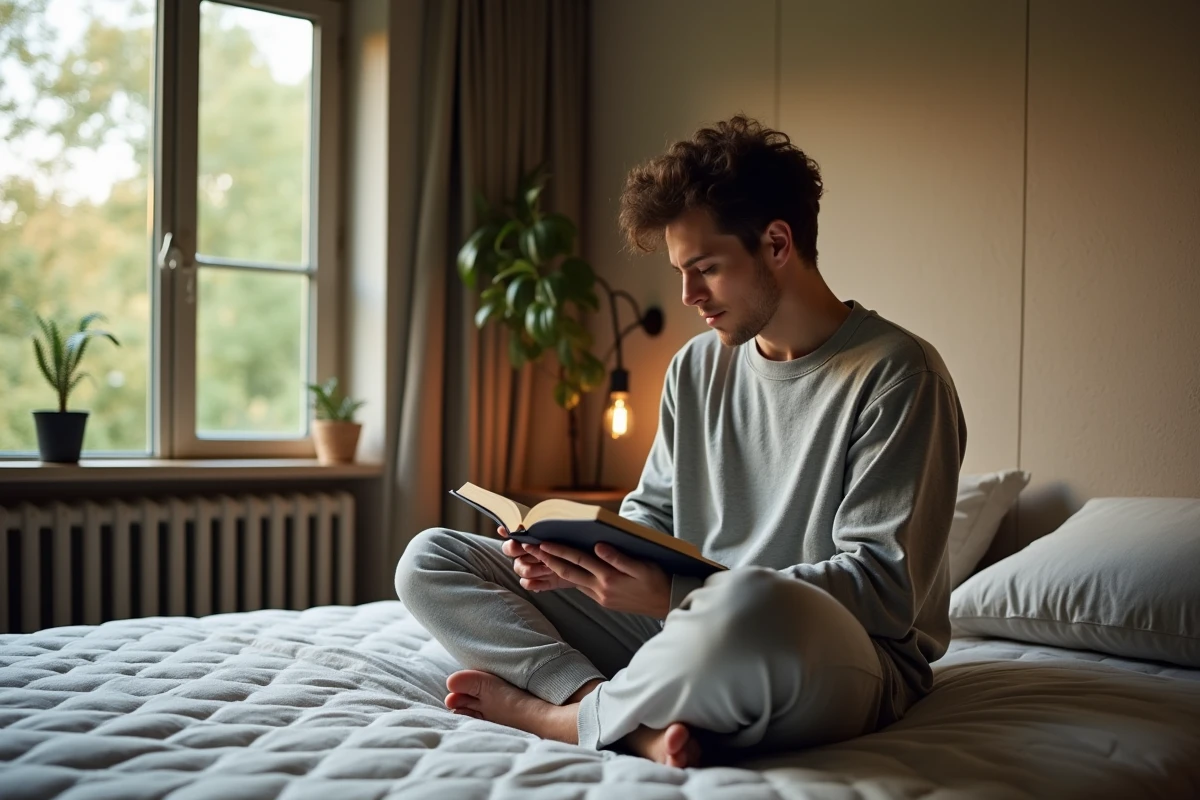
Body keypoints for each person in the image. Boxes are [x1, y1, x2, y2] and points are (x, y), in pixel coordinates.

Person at [396, 115, 967, 768]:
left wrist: (676, 596)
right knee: (429, 557)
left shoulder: (898, 374)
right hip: (687, 623)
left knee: (750, 604)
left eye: (707, 269)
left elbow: (882, 593)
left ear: (777, 243)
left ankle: (554, 718)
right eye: (680, 272)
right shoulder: (697, 367)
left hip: (834, 650)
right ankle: (596, 703)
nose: (690, 295)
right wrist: (582, 562)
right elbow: (653, 515)